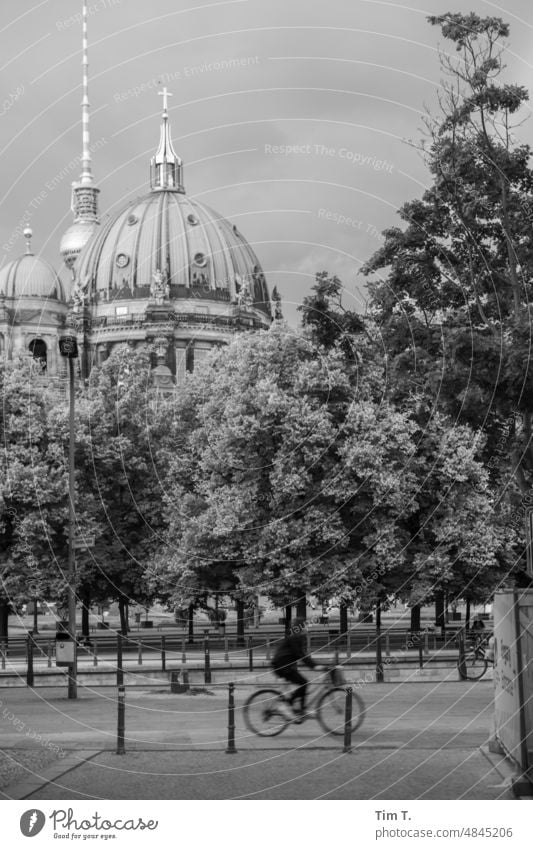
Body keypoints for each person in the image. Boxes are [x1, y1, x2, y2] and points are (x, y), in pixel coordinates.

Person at [272, 618, 317, 720]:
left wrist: (314, 665)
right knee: (304, 683)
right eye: (305, 625)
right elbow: (300, 655)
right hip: (282, 666)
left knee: (303, 684)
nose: (307, 627)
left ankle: (300, 709)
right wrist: (314, 666)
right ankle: (287, 707)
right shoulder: (295, 638)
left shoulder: (298, 637)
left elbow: (302, 654)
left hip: (284, 665)